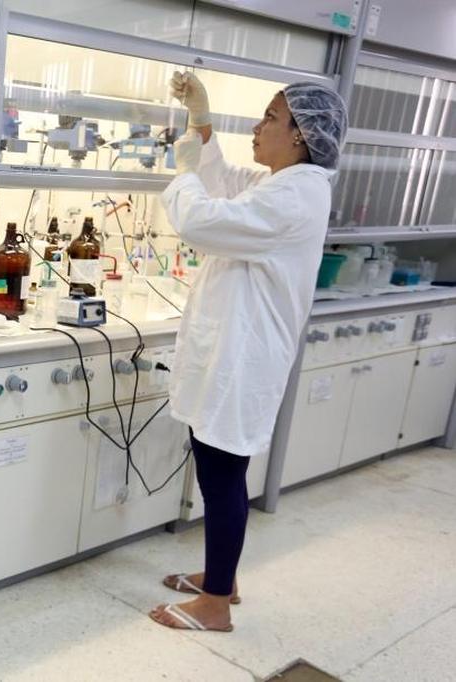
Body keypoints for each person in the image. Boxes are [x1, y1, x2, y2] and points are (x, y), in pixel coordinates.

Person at [149, 72, 348, 632]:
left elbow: (205, 219)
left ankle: (214, 607)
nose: (258, 128)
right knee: (217, 470)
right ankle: (222, 578)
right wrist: (202, 122)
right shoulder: (283, 184)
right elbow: (227, 180)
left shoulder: (295, 196)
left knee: (222, 474)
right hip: (233, 353)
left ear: (303, 135)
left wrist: (185, 171)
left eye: (270, 118)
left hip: (243, 360)